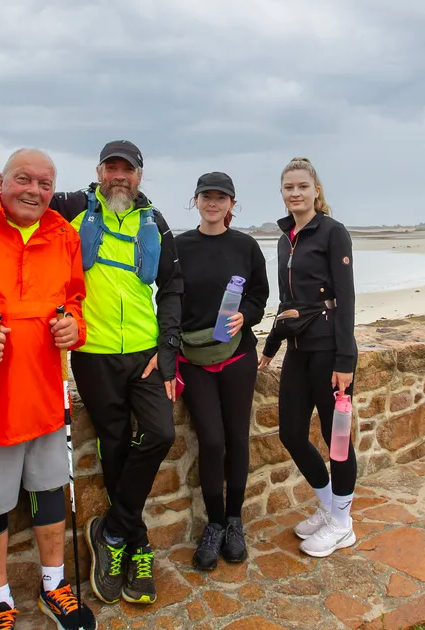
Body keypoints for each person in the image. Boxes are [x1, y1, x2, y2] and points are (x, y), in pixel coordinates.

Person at [0, 140, 182, 606]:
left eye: (127, 170)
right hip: (92, 354)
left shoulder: (156, 221)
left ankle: (114, 529)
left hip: (143, 352)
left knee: (159, 433)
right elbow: (20, 194)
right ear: (98, 172)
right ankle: (130, 546)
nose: (119, 176)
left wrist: (169, 348)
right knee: (112, 444)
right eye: (110, 168)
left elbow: (172, 287)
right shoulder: (74, 207)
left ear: (139, 175)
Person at [0, 148, 96, 630]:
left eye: (44, 184)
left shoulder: (64, 234)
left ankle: (55, 585)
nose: (34, 190)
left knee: (50, 493)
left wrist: (75, 326)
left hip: (46, 395)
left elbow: (73, 299)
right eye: (23, 179)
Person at [259, 156, 359, 558]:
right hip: (297, 353)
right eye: (288, 188)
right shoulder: (286, 239)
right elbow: (288, 304)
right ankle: (327, 505)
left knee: (338, 443)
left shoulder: (334, 233)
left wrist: (345, 360)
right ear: (282, 194)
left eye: (302, 186)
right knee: (290, 434)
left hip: (328, 352)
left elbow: (346, 298)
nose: (295, 193)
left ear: (316, 190)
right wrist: (269, 350)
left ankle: (343, 523)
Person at [174, 172, 269, 570]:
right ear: (195, 200)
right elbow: (167, 298)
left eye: (221, 197)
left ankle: (234, 522)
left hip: (237, 357)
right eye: (206, 196)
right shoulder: (178, 246)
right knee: (211, 441)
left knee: (236, 438)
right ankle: (212, 524)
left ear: (232, 204)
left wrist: (244, 316)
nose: (213, 203)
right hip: (193, 360)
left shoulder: (246, 246)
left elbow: (261, 295)